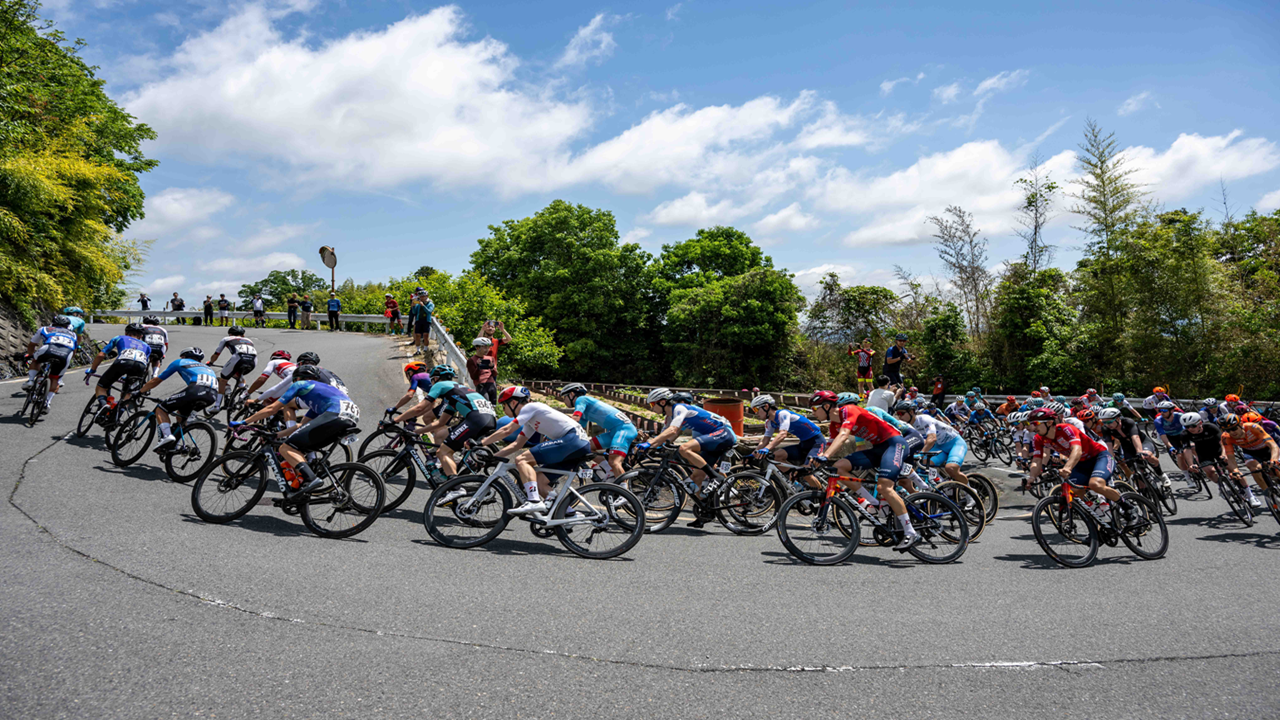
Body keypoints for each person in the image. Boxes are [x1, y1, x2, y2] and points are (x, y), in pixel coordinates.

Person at [809, 392, 920, 550]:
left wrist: (825, 456)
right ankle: (871, 503)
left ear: (827, 406)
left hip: (894, 443)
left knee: (884, 487)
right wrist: (812, 463)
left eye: (814, 408)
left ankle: (910, 532)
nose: (813, 413)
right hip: (878, 449)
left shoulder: (848, 410)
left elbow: (844, 435)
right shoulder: (834, 425)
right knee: (839, 467)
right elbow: (830, 445)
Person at [232, 364, 361, 496]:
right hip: (351, 416)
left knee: (286, 448)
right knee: (299, 448)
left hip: (336, 413)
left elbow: (272, 409)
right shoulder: (319, 396)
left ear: (297, 378)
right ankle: (302, 488)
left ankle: (311, 479)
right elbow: (301, 426)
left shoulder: (301, 384)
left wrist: (243, 422)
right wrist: (277, 435)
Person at [481, 385, 592, 515]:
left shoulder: (530, 407)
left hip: (573, 439)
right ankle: (568, 513)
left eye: (504, 405)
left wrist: (481, 443)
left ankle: (534, 501)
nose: (503, 409)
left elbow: (507, 430)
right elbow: (517, 444)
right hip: (577, 444)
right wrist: (494, 457)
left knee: (522, 460)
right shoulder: (530, 421)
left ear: (513, 403)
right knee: (539, 482)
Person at [638, 388, 738, 528]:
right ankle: (706, 511)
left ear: (662, 402)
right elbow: (672, 435)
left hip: (723, 433)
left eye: (652, 404)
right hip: (715, 439)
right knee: (695, 480)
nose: (651, 408)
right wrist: (654, 447)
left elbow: (672, 430)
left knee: (684, 448)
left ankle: (715, 476)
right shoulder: (671, 416)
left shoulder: (679, 408)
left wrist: (649, 443)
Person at [394, 364, 496, 480]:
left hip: (476, 419)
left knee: (442, 452)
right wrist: (417, 432)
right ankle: (454, 466)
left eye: (432, 380)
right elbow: (440, 423)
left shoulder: (440, 385)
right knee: (440, 434)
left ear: (435, 378)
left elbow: (420, 407)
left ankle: (454, 486)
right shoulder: (455, 393)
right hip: (490, 419)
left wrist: (395, 420)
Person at [1024, 407, 1127, 514]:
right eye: (1030, 423)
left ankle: (1127, 506)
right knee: (1074, 490)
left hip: (1099, 457)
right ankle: (1096, 511)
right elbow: (1036, 460)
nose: (1032, 427)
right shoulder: (1038, 439)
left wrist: (1067, 468)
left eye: (1035, 423)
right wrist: (1032, 477)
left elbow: (1077, 450)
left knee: (1095, 484)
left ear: (1049, 422)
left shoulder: (1066, 429)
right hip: (1081, 463)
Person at [137, 347, 218, 452]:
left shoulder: (180, 362)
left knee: (161, 408)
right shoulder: (208, 368)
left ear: (184, 356)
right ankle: (174, 446)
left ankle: (167, 436)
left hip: (196, 390)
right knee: (181, 416)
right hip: (212, 396)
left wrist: (140, 392)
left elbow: (157, 380)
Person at [559, 383, 639, 481]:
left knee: (614, 462)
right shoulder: (585, 410)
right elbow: (577, 428)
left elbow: (575, 419)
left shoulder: (581, 400)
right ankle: (609, 471)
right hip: (614, 431)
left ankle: (624, 489)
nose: (564, 400)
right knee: (588, 447)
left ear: (571, 394)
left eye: (564, 397)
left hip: (624, 429)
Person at [894, 401, 971, 489]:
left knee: (951, 468)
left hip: (955, 443)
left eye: (901, 413)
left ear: (911, 412)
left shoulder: (924, 419)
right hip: (939, 447)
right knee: (924, 464)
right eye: (897, 414)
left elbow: (932, 438)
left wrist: (921, 453)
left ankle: (971, 492)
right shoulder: (906, 426)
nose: (899, 416)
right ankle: (943, 485)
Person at [85, 323, 151, 423]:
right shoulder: (147, 346)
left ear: (126, 333)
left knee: (101, 387)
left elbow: (101, 355)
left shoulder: (119, 338)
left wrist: (92, 370)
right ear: (141, 336)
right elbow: (143, 363)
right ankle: (117, 416)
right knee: (127, 393)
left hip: (123, 362)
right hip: (140, 367)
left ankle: (104, 405)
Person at [1096, 407, 1170, 489]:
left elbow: (1135, 437)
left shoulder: (1128, 422)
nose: (1107, 425)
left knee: (1148, 455)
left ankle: (1161, 475)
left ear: (1117, 418)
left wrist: (1140, 452)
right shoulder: (1105, 428)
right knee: (1135, 473)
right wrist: (1111, 459)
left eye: (1109, 422)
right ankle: (1146, 492)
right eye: (1104, 422)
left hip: (1142, 442)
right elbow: (1109, 444)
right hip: (1127, 446)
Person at [750, 394, 824, 466]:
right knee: (775, 457)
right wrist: (752, 454)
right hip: (803, 444)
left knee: (807, 469)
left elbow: (782, 434)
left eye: (756, 409)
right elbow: (764, 441)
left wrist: (767, 448)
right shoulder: (769, 422)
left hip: (817, 442)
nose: (756, 413)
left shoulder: (782, 414)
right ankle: (793, 474)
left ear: (766, 406)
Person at [21, 316, 78, 409]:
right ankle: (47, 402)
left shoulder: (44, 329)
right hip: (65, 355)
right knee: (55, 379)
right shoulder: (73, 334)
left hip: (48, 349)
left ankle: (30, 380)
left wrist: (30, 355)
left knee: (36, 360)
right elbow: (74, 351)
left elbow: (32, 344)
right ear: (67, 326)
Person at [1221, 413, 1276, 509]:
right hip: (1250, 452)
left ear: (1241, 424)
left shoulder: (1253, 427)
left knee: (1276, 468)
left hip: (1266, 449)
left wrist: (1274, 459)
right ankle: (1270, 496)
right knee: (1254, 469)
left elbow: (1273, 446)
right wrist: (1235, 471)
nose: (1232, 432)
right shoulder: (1226, 437)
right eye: (1228, 430)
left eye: (1234, 428)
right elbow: (1230, 457)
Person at [207, 326, 257, 413]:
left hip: (238, 358)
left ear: (230, 334)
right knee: (239, 375)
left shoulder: (226, 339)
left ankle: (217, 406)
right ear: (243, 335)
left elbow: (216, 354)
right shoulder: (249, 340)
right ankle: (243, 391)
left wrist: (210, 362)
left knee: (223, 380)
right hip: (253, 360)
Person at [466, 337, 499, 404]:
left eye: (488, 347)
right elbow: (473, 377)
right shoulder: (471, 360)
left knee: (493, 406)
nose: (487, 350)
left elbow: (495, 374)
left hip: (492, 384)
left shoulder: (491, 358)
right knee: (485, 405)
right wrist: (478, 367)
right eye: (485, 347)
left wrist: (492, 367)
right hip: (481, 385)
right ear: (477, 348)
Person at [140, 315, 169, 380]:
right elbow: (166, 344)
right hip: (159, 349)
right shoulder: (163, 329)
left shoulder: (142, 326)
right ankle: (155, 374)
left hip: (146, 347)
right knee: (157, 359)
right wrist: (163, 354)